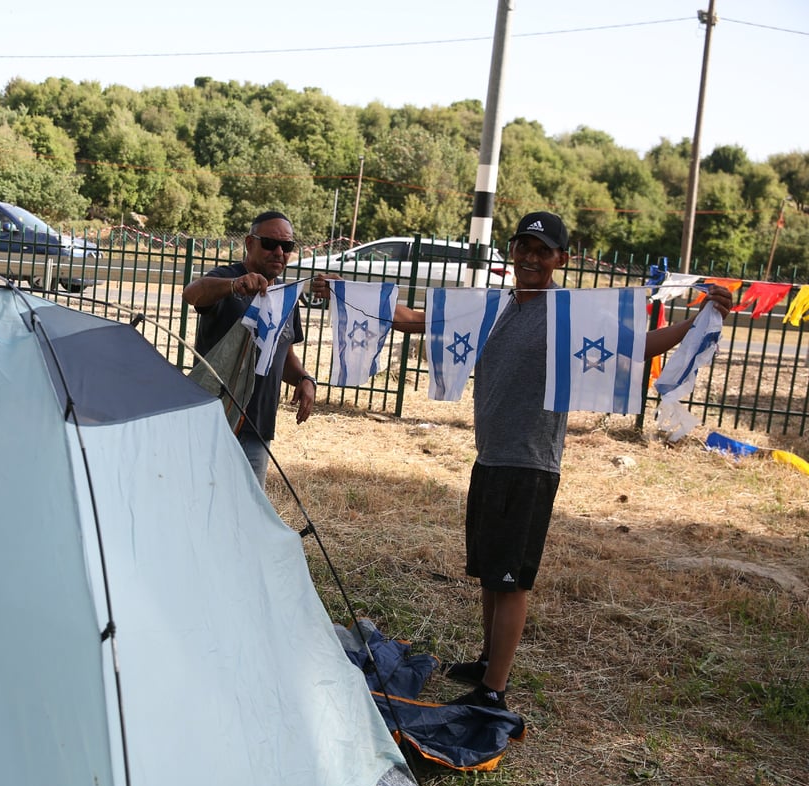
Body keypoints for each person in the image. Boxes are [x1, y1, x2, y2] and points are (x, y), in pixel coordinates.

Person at [312, 210, 734, 711]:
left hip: (530, 465)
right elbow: (413, 320)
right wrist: (343, 291)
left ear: (561, 259)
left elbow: (635, 348)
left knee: (510, 583)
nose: (531, 258)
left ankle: (495, 689)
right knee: (491, 574)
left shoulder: (567, 314)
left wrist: (698, 321)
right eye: (523, 248)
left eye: (543, 251)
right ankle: (487, 660)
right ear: (512, 252)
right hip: (491, 458)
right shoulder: (493, 308)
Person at [182, 210, 317, 485]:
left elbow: (283, 354)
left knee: (245, 515)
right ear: (249, 243)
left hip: (258, 427)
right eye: (270, 243)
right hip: (214, 420)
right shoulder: (227, 278)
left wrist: (304, 378)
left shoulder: (285, 298)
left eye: (287, 246)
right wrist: (234, 286)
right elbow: (192, 293)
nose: (279, 252)